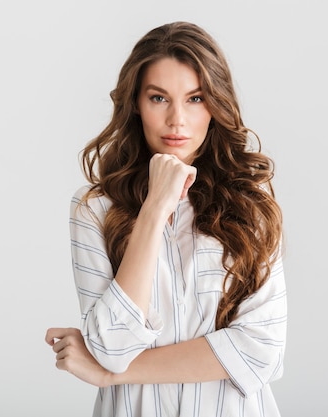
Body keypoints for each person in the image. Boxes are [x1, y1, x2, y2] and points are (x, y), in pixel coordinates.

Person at [45, 21, 286, 417]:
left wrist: (113, 376)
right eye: (159, 98)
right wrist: (156, 206)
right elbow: (112, 346)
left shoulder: (251, 204)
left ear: (216, 105)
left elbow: (260, 351)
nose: (177, 119)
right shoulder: (94, 208)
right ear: (136, 104)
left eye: (195, 99)